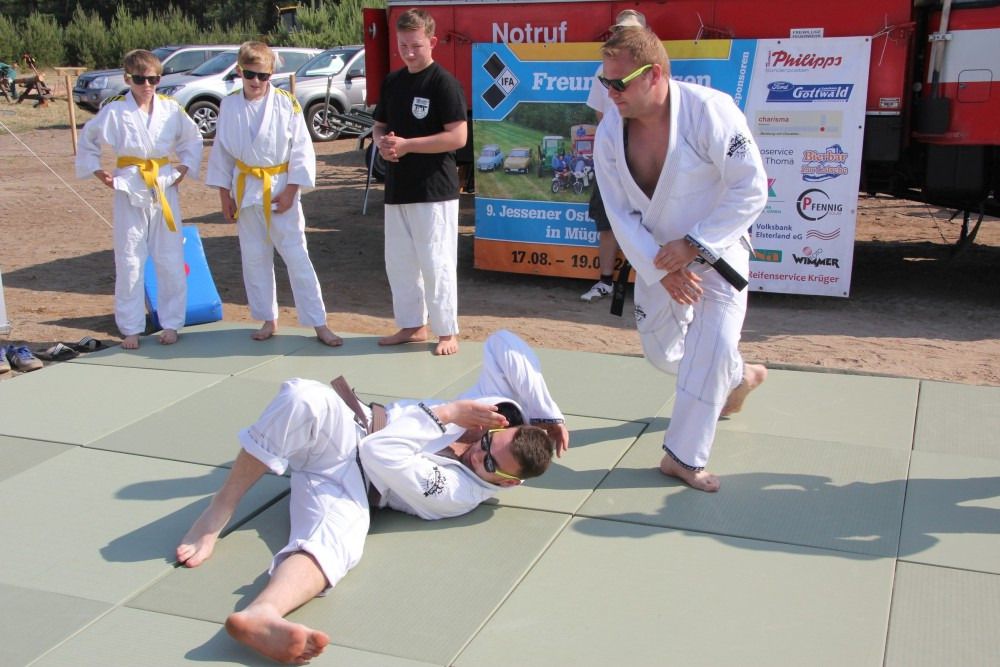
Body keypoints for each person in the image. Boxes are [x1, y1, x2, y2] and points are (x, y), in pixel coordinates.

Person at [176, 330, 568, 664]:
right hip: (350, 424)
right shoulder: (489, 414)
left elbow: (377, 452)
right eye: (488, 441)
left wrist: (448, 413)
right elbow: (503, 343)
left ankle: (262, 614)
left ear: (507, 484)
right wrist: (549, 416)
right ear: (502, 425)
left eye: (490, 464)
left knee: (338, 543)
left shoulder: (458, 493)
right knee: (303, 395)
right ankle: (221, 507)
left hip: (353, 483)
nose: (478, 453)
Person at [594, 26, 769, 492]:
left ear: (654, 74)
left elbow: (751, 187)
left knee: (711, 348)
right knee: (663, 352)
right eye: (605, 82)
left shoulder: (710, 111)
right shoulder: (610, 131)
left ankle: (682, 457)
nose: (610, 93)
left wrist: (695, 246)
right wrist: (660, 268)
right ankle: (737, 376)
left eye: (619, 82)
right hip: (656, 257)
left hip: (717, 252)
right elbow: (619, 211)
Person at [205, 41, 342, 347]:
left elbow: (302, 150)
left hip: (280, 186)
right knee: (254, 257)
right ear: (239, 71)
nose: (256, 81)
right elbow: (222, 154)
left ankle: (318, 322)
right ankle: (268, 318)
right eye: (250, 74)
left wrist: (292, 190)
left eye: (263, 76)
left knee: (297, 256)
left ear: (272, 74)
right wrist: (224, 195)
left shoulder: (286, 103)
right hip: (245, 188)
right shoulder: (229, 105)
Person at [76, 49, 202, 349]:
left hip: (163, 184)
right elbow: (88, 139)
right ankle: (131, 327)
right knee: (130, 259)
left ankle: (171, 323)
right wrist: (98, 171)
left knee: (170, 258)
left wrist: (185, 167)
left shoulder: (171, 108)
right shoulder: (115, 110)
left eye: (153, 79)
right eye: (140, 79)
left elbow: (193, 138)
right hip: (129, 185)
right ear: (127, 79)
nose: (147, 85)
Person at [373, 9, 468, 356]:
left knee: (436, 262)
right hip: (398, 188)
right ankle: (413, 325)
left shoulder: (443, 83)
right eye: (403, 46)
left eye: (415, 45)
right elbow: (379, 125)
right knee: (400, 262)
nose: (409, 53)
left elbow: (458, 136)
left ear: (432, 41)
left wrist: (409, 145)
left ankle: (446, 331)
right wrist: (383, 143)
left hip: (434, 191)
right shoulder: (393, 81)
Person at [580, 9, 646, 303]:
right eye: (619, 30)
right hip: (612, 157)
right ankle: (605, 281)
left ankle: (649, 283)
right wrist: (613, 146)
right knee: (607, 220)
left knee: (649, 220)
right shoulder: (602, 70)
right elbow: (601, 115)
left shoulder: (653, 68)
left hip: (644, 155)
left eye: (629, 30)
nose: (623, 35)